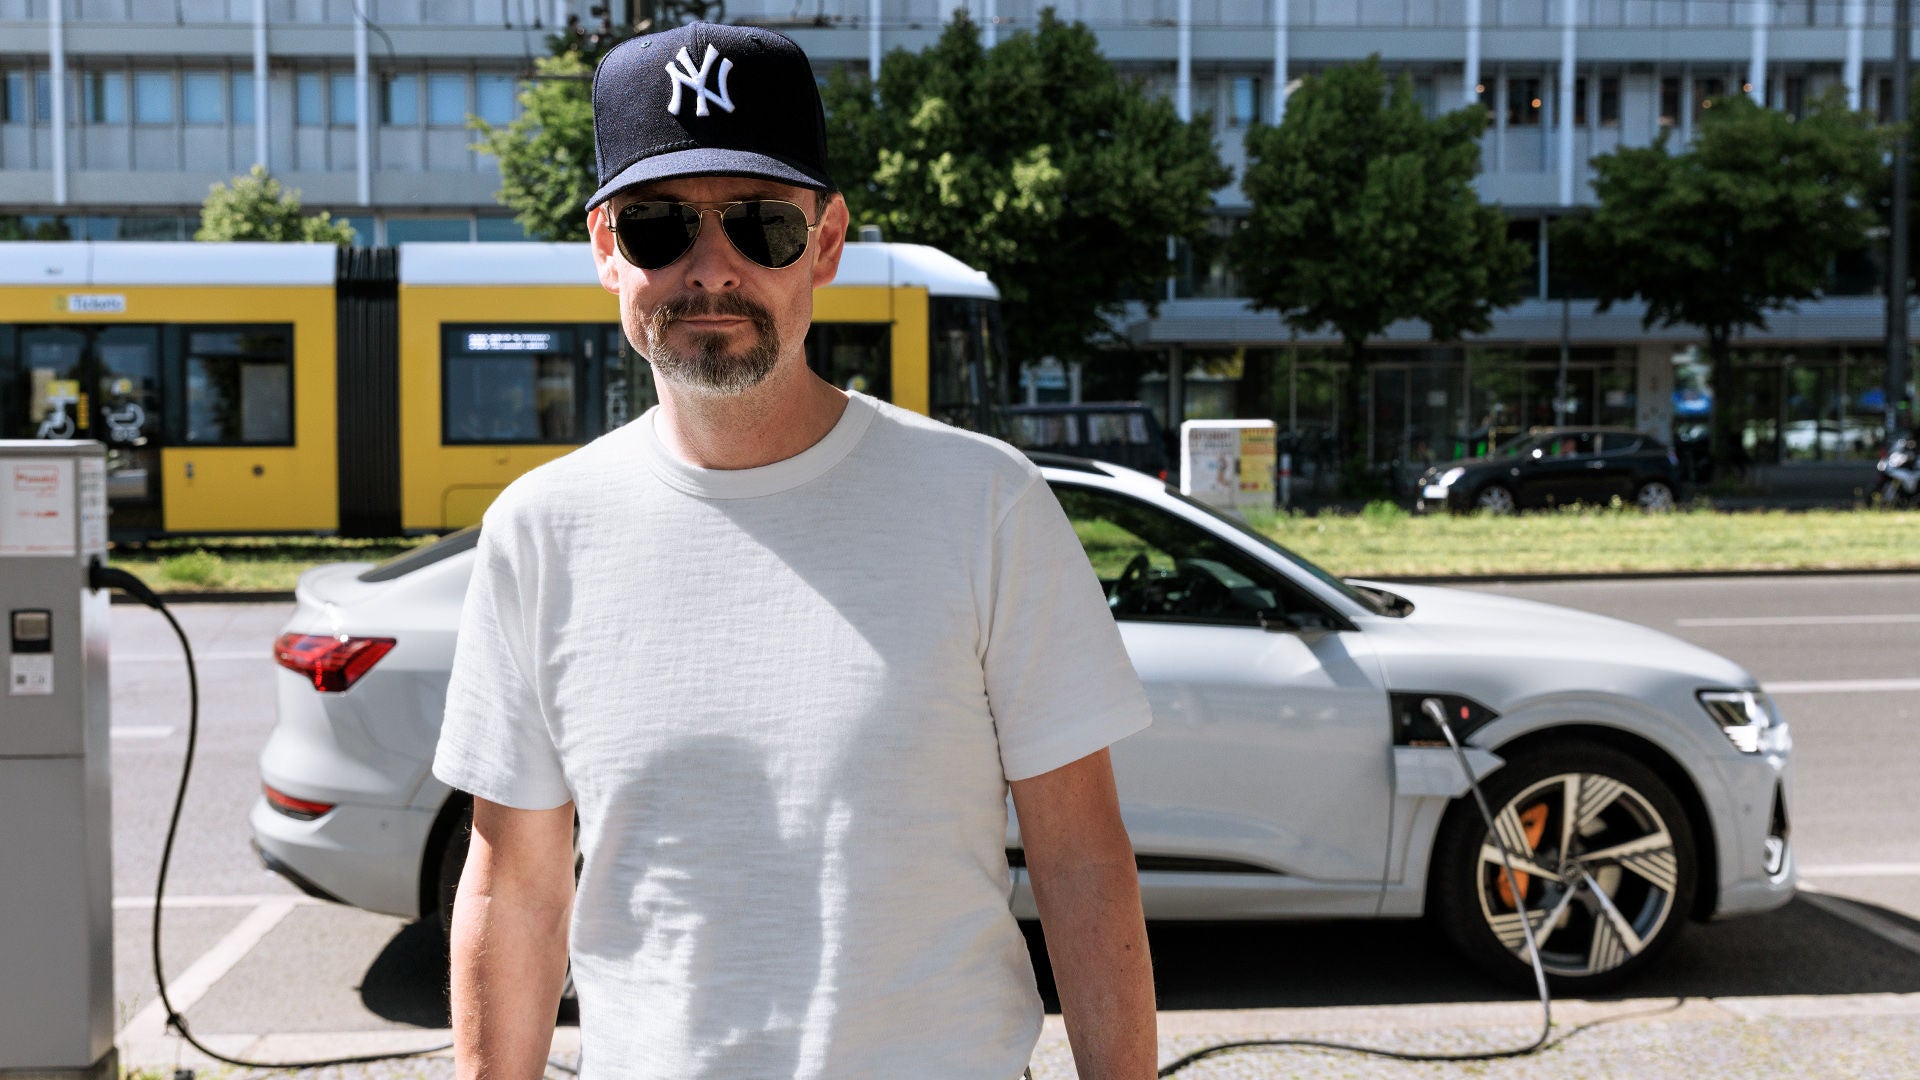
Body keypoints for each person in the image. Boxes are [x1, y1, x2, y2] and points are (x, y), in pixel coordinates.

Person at [432, 21, 1158, 1080]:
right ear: (604, 249)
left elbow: (1083, 861)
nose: (710, 269)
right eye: (658, 227)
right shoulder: (542, 530)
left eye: (760, 224)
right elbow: (515, 894)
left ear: (824, 242)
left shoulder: (985, 504)